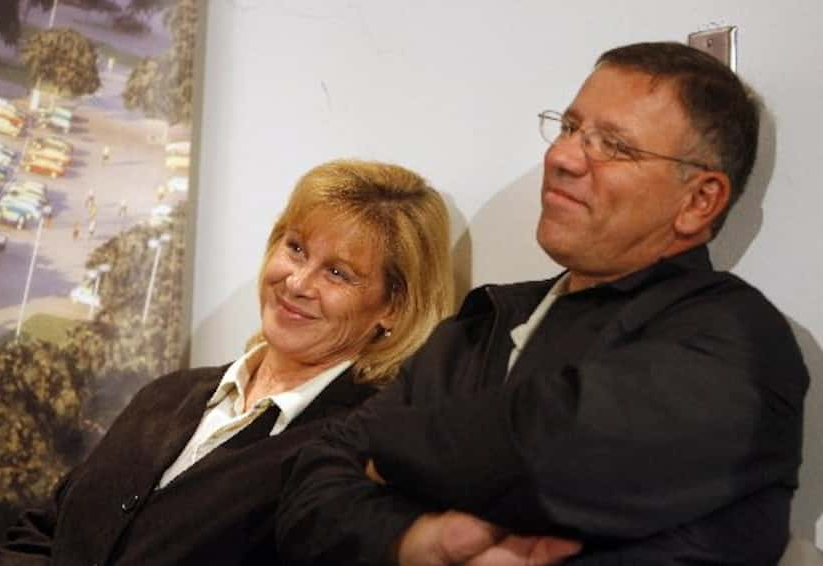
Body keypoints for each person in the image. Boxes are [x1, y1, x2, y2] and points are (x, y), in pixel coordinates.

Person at [275, 42, 809, 565]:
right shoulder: (482, 324)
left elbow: (548, 455)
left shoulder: (737, 335)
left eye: (615, 146)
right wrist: (415, 541)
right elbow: (311, 493)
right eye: (570, 128)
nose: (562, 157)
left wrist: (383, 452)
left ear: (699, 201)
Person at [0, 159, 455, 565]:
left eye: (338, 273)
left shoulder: (360, 454)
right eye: (295, 248)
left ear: (393, 307)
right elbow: (45, 530)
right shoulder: (169, 393)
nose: (297, 282)